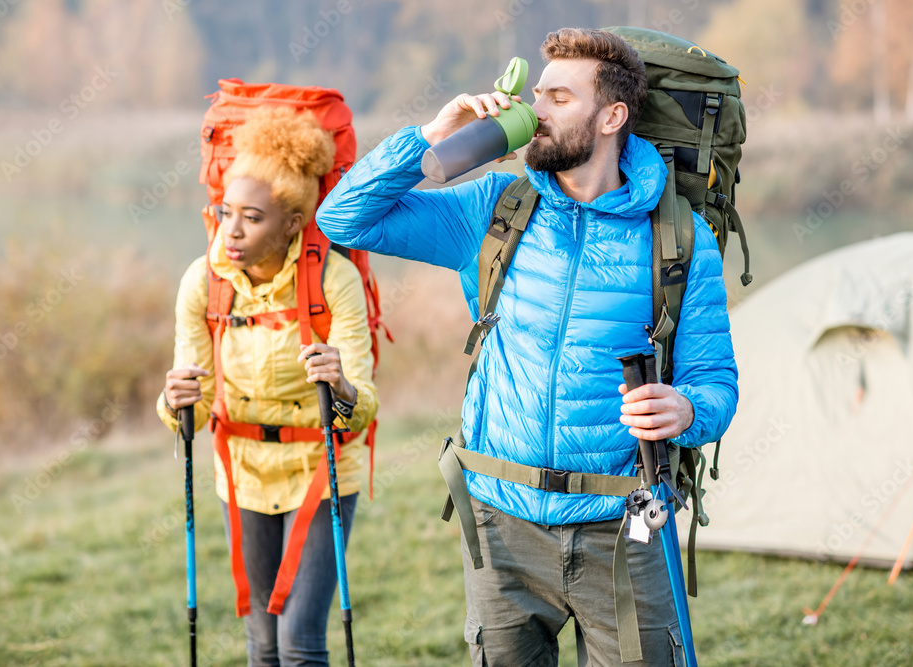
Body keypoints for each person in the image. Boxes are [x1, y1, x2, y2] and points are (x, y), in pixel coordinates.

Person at [316, 28, 737, 666]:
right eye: (536, 93)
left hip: (624, 526)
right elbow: (343, 218)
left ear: (612, 117)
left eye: (559, 97)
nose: (535, 109)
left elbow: (715, 382)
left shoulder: (681, 239)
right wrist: (430, 137)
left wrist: (685, 411)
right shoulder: (495, 208)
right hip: (499, 520)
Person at [156, 106, 378, 667]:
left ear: (291, 223)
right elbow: (197, 401)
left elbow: (363, 404)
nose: (231, 230)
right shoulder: (202, 284)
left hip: (322, 475)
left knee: (298, 645)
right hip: (244, 474)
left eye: (251, 218)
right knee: (262, 645)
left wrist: (341, 385)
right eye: (225, 212)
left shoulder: (334, 280)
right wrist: (174, 400)